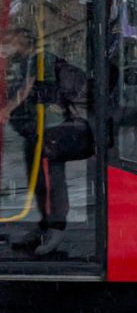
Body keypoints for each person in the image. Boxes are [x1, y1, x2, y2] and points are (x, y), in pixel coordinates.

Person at [0, 28, 85, 255]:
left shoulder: (40, 59)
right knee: (37, 180)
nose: (5, 45)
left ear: (22, 41)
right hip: (33, 131)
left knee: (51, 180)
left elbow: (27, 89)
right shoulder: (26, 60)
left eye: (9, 40)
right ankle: (44, 226)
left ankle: (56, 228)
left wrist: (7, 110)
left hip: (49, 131)